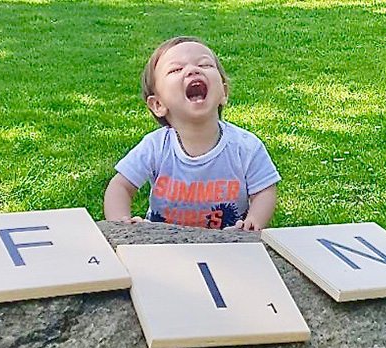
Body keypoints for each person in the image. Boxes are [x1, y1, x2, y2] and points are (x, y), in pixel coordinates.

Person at [104, 36, 279, 231]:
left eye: (204, 64)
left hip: (229, 244)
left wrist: (254, 222)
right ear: (158, 105)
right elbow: (120, 187)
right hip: (164, 246)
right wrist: (121, 224)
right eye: (176, 70)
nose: (193, 70)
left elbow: (264, 191)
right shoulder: (155, 146)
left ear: (224, 92)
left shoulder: (245, 146)